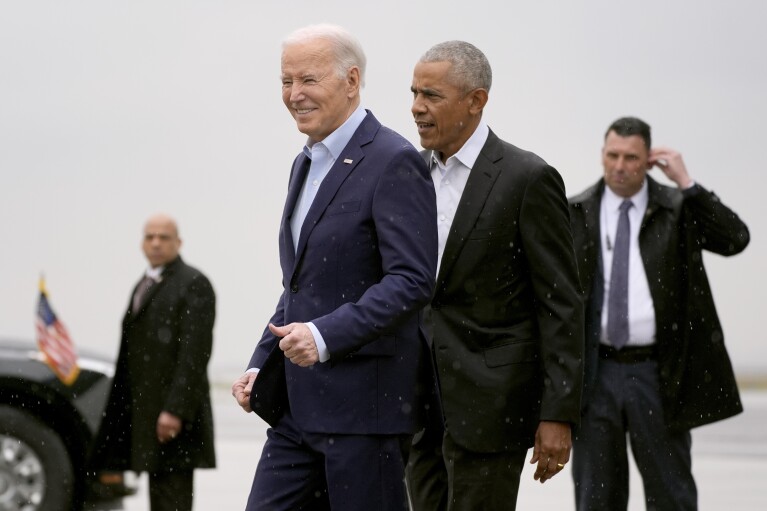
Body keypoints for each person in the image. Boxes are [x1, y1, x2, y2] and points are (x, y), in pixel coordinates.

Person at [231, 24, 438, 510]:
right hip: (296, 411)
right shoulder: (304, 163)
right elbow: (300, 285)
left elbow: (411, 282)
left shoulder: (394, 160)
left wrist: (324, 336)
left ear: (351, 80)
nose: (294, 95)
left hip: (365, 413)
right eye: (286, 81)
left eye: (308, 80)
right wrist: (261, 362)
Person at [405, 40, 584, 511]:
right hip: (417, 407)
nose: (417, 108)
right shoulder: (409, 176)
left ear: (476, 100)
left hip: (493, 407)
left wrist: (557, 415)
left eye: (431, 95)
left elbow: (561, 304)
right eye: (414, 93)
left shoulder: (528, 178)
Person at [568, 116, 750, 510]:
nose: (620, 166)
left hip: (658, 372)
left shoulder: (678, 208)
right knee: (596, 498)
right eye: (613, 155)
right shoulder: (576, 211)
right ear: (602, 154)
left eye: (631, 158)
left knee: (672, 496)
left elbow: (735, 238)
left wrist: (688, 183)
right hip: (594, 375)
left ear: (648, 160)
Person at [89, 214, 216, 511]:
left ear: (178, 242)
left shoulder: (194, 283)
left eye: (164, 237)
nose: (156, 243)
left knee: (172, 500)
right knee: (157, 499)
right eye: (150, 236)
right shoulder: (142, 284)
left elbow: (194, 355)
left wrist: (175, 410)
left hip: (173, 417)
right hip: (146, 414)